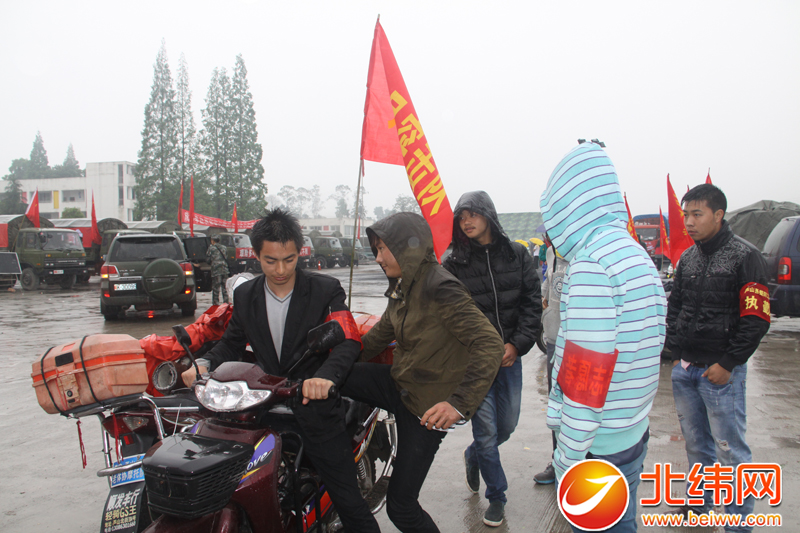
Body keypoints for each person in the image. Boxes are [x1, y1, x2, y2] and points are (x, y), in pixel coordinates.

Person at [182, 208, 380, 533]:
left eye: (289, 260)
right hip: (262, 410)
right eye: (270, 261)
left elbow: (348, 340)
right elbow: (231, 344)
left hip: (315, 410)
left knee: (350, 502)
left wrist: (324, 377)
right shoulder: (245, 295)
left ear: (300, 252)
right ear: (256, 255)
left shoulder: (325, 289)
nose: (281, 270)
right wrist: (204, 363)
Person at [342, 212, 504, 533]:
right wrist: (332, 362)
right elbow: (376, 338)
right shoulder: (404, 285)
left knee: (401, 507)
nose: (378, 258)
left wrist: (457, 404)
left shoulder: (440, 287)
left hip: (425, 410)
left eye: (382, 249)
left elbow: (490, 344)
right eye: (375, 250)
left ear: (405, 248)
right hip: (401, 384)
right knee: (335, 378)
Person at [540, 141, 666, 532]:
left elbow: (585, 381)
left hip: (597, 445)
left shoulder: (592, 265)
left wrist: (567, 458)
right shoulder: (635, 255)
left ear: (568, 207)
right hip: (632, 428)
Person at [665, 184, 770, 531]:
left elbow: (756, 319)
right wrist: (677, 353)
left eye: (697, 214)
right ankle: (700, 505)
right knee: (697, 446)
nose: (689, 222)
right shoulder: (688, 258)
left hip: (721, 373)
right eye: (686, 215)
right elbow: (676, 307)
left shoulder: (745, 256)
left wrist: (727, 363)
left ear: (718, 215)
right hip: (686, 370)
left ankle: (738, 523)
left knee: (730, 451)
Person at [442, 191, 541, 527]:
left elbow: (531, 303)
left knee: (507, 426)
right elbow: (449, 314)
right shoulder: (454, 263)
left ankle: (473, 455)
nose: (466, 222)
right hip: (474, 364)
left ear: (488, 215)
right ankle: (496, 496)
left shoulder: (517, 254)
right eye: (461, 217)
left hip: (510, 358)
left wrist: (517, 344)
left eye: (472, 214)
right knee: (486, 432)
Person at [532, 231, 569, 486]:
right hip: (554, 340)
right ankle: (557, 462)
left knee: (581, 410)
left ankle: (581, 464)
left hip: (581, 344)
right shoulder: (552, 253)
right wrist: (544, 302)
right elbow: (549, 281)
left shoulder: (585, 252)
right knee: (556, 408)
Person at [206, 234, 230, 305]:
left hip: (216, 270)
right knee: (225, 287)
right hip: (225, 270)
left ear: (212, 240)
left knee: (216, 288)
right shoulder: (224, 247)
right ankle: (226, 303)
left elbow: (208, 258)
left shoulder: (211, 248)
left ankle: (216, 303)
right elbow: (226, 256)